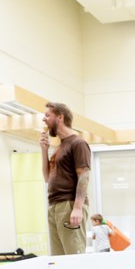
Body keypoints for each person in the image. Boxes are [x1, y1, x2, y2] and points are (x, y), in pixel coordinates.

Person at [41, 102, 92, 255]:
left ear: (60, 117)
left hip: (69, 205)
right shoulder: (59, 148)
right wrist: (44, 150)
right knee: (59, 260)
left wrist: (77, 208)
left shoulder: (78, 143)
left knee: (73, 258)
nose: (44, 119)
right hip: (54, 206)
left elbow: (83, 176)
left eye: (48, 115)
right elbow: (47, 177)